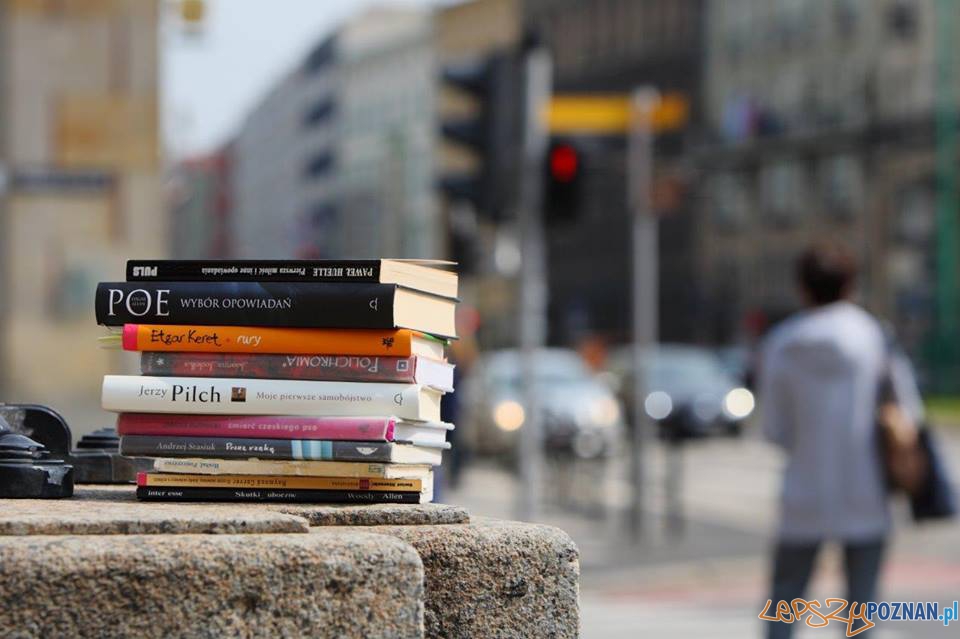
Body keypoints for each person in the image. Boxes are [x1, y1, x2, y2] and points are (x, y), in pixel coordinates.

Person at [758, 241, 922, 638]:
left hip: (803, 492)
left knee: (785, 603)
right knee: (861, 609)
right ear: (850, 285)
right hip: (864, 489)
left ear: (802, 287)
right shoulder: (871, 335)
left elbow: (773, 429)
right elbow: (908, 410)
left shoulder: (783, 341)